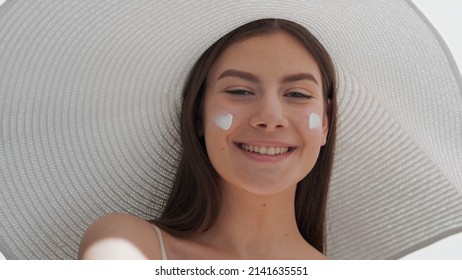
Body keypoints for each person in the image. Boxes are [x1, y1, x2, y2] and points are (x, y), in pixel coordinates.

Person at [78, 18, 337, 260]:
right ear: (198, 115)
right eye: (239, 90)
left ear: (325, 123)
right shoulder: (126, 245)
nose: (270, 117)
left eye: (298, 94)